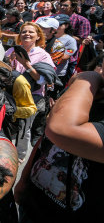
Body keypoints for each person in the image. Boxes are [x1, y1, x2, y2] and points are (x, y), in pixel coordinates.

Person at [15, 71, 104, 221]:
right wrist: (23, 180)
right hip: (33, 203)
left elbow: (60, 129)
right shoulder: (87, 92)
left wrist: (88, 77)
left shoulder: (86, 83)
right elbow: (46, 138)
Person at [5, 22, 56, 161]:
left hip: (33, 96)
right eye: (24, 32)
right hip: (12, 93)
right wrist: (9, 64)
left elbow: (44, 80)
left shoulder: (43, 55)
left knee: (24, 127)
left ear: (38, 36)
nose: (27, 34)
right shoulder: (12, 51)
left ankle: (20, 155)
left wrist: (26, 65)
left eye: (31, 32)